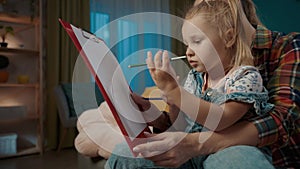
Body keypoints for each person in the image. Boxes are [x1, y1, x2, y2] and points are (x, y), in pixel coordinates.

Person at [76, 0, 300, 168]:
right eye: (186, 43)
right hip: (191, 154)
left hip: (228, 149)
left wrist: (176, 92)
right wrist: (154, 108)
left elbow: (221, 119)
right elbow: (181, 124)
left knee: (239, 160)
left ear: (229, 37)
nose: (188, 51)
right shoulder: (196, 77)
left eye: (197, 41)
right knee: (125, 154)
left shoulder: (246, 76)